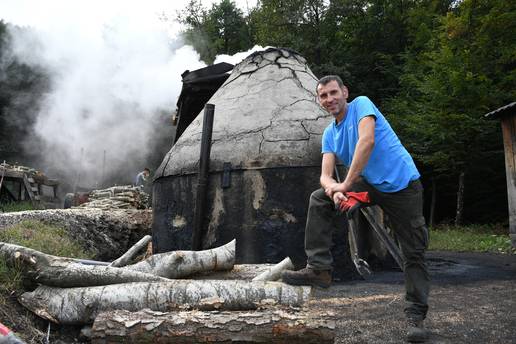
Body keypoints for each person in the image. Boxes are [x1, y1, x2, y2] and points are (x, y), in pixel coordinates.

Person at [281, 75, 430, 342]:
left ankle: (415, 316)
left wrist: (346, 184)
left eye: (333, 93)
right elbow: (325, 176)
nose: (329, 99)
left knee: (413, 252)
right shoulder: (329, 133)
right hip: (370, 184)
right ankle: (320, 269)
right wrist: (334, 192)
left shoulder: (362, 105)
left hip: (401, 185)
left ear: (345, 92)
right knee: (319, 198)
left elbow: (367, 141)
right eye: (323, 96)